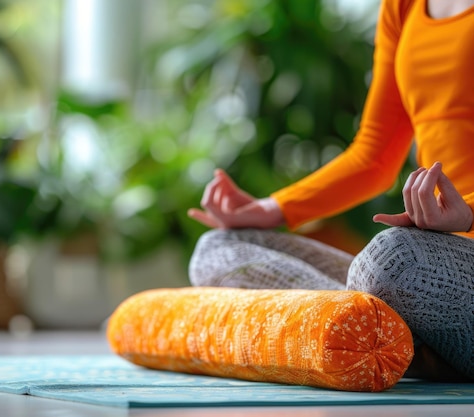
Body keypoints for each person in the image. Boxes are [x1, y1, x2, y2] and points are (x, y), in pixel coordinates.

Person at [187, 0, 474, 382]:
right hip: (431, 266)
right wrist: (271, 208)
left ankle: (394, 343)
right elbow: (374, 154)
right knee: (219, 249)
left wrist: (468, 214)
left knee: (394, 259)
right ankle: (394, 343)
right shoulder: (403, 7)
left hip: (426, 265)